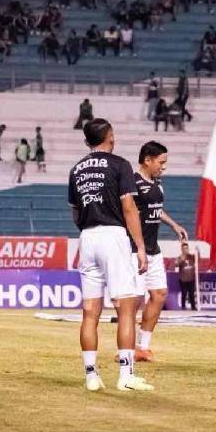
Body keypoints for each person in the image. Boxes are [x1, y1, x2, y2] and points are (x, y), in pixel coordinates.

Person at [69, 118, 153, 392]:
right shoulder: (119, 164)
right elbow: (129, 208)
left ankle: (91, 376)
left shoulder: (77, 169)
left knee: (90, 312)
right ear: (109, 136)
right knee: (125, 307)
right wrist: (140, 247)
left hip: (87, 237)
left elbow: (75, 212)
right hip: (113, 236)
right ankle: (126, 375)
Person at [131, 141, 189, 363]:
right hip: (136, 251)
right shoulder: (133, 184)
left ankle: (143, 347)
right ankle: (125, 349)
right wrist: (139, 248)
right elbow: (129, 215)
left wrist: (173, 225)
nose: (163, 167)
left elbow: (155, 210)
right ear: (147, 160)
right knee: (133, 301)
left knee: (159, 294)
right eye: (161, 162)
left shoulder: (157, 183)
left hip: (153, 250)